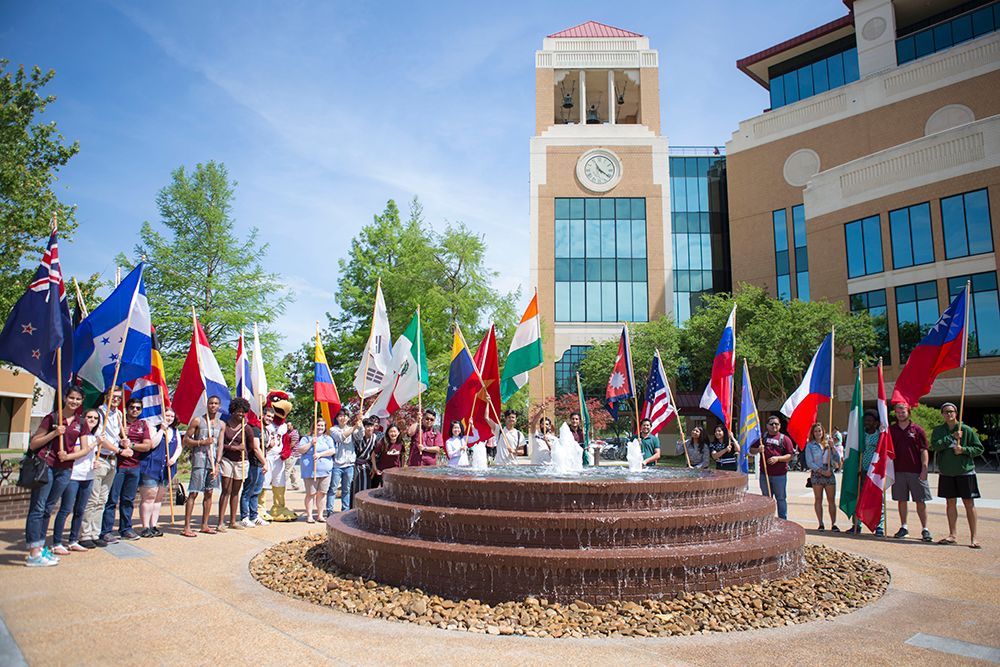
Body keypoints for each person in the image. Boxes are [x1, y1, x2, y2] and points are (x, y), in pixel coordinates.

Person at [25, 386, 88, 566]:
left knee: (48, 508)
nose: (74, 402)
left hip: (65, 469)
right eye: (71, 398)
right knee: (38, 508)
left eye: (78, 399)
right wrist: (55, 433)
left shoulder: (80, 423)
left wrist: (69, 456)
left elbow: (83, 450)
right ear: (65, 398)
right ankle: (33, 553)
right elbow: (33, 444)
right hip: (47, 466)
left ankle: (41, 548)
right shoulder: (53, 418)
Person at [930, 402, 983, 548]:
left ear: (956, 413)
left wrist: (964, 450)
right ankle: (952, 534)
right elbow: (935, 445)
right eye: (946, 412)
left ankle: (974, 537)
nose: (949, 414)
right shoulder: (939, 430)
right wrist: (951, 437)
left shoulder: (965, 429)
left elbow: (979, 448)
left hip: (965, 471)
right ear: (942, 414)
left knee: (969, 504)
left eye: (951, 411)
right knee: (950, 503)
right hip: (947, 472)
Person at [80, 387, 126, 548]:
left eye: (119, 397)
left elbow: (116, 437)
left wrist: (123, 440)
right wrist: (119, 450)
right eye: (113, 396)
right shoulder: (99, 414)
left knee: (102, 499)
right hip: (100, 458)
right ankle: (85, 534)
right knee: (93, 498)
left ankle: (95, 532)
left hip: (112, 460)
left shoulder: (119, 415)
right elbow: (101, 439)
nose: (116, 400)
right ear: (106, 396)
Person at [102, 397, 151, 541]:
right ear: (127, 408)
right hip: (119, 466)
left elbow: (147, 446)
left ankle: (126, 529)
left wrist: (132, 445)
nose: (134, 410)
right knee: (112, 499)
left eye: (138, 408)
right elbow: (108, 438)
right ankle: (106, 530)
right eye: (132, 407)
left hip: (134, 467)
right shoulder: (119, 422)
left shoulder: (142, 424)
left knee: (128, 500)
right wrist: (120, 435)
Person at [54, 408, 101, 553]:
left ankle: (73, 540)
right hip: (74, 475)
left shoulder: (94, 437)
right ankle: (57, 542)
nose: (92, 420)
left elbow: (89, 455)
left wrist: (95, 462)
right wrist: (95, 444)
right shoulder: (78, 434)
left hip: (88, 476)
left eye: (95, 418)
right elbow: (76, 452)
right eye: (89, 417)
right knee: (66, 509)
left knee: (80, 510)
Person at [889, 403, 932, 542]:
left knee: (920, 500)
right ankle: (904, 527)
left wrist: (924, 469)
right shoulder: (892, 430)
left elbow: (924, 450)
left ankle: (925, 529)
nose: (900, 414)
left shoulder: (918, 430)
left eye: (903, 412)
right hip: (898, 471)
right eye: (898, 412)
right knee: (902, 500)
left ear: (909, 412)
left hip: (916, 471)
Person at [181, 395, 223, 537]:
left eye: (216, 403)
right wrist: (201, 443)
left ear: (219, 406)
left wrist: (218, 464)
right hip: (199, 461)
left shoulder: (220, 424)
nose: (213, 405)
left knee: (209, 492)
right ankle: (187, 527)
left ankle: (204, 525)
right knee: (193, 492)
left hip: (212, 463)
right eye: (211, 403)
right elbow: (185, 440)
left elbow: (220, 445)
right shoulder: (198, 420)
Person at [137, 407, 182, 538]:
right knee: (149, 498)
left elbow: (179, 446)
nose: (169, 418)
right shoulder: (153, 428)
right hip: (151, 467)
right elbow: (152, 444)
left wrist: (173, 459)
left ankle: (153, 525)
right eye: (166, 415)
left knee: (158, 499)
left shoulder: (175, 430)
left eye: (171, 416)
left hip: (166, 469)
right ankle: (145, 526)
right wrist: (162, 429)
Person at [216, 397, 252, 531]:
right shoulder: (225, 426)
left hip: (241, 462)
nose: (241, 414)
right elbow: (220, 445)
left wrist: (242, 452)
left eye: (243, 412)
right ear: (233, 411)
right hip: (227, 460)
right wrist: (234, 448)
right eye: (238, 411)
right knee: (226, 490)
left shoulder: (246, 428)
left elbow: (249, 447)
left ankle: (232, 521)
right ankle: (220, 522)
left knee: (236, 492)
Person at [749, 416, 795, 520]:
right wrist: (758, 450)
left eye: (776, 424)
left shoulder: (785, 439)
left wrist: (778, 459)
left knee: (781, 498)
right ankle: (768, 519)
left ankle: (783, 519)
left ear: (780, 426)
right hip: (765, 474)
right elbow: (751, 450)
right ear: (767, 425)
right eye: (771, 424)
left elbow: (790, 455)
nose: (774, 426)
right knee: (766, 498)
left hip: (780, 475)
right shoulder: (762, 438)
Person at [847, 409, 885, 535]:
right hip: (859, 474)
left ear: (876, 422)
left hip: (874, 475)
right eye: (866, 420)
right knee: (857, 498)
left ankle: (879, 526)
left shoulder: (880, 436)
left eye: (870, 420)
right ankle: (856, 524)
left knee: (877, 500)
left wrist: (869, 473)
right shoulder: (859, 435)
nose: (867, 423)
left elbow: (882, 456)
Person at [804, 422, 840, 531]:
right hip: (818, 473)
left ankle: (833, 523)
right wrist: (822, 472)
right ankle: (820, 523)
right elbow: (809, 462)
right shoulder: (810, 445)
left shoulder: (829, 444)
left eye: (819, 431)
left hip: (829, 472)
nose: (818, 433)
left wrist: (833, 447)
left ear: (823, 432)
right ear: (813, 433)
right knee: (818, 499)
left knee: (831, 499)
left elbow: (837, 459)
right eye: (816, 431)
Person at [299, 417, 335, 523]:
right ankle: (309, 516)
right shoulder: (306, 438)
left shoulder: (327, 438)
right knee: (311, 494)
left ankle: (320, 515)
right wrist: (311, 443)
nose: (320, 427)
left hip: (325, 472)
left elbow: (332, 450)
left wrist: (320, 454)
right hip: (310, 471)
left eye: (322, 425)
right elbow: (300, 450)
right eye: (318, 425)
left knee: (322, 493)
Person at [240, 408, 270, 528]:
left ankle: (254, 515)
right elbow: (256, 448)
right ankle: (244, 516)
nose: (269, 419)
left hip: (260, 464)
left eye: (271, 417)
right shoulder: (254, 428)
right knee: (248, 491)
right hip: (253, 463)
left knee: (256, 491)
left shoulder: (264, 430)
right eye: (267, 416)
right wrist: (265, 462)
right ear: (262, 415)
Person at [328, 409, 361, 516]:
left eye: (345, 416)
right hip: (337, 464)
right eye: (341, 416)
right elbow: (340, 438)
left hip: (350, 464)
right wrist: (354, 428)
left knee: (346, 489)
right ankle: (330, 510)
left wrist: (360, 424)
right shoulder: (333, 429)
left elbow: (359, 436)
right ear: (337, 418)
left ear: (348, 418)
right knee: (333, 488)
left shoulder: (351, 429)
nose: (343, 418)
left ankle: (345, 510)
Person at [351, 417, 379, 505]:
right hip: (356, 466)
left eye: (371, 426)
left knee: (366, 488)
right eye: (367, 426)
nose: (369, 429)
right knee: (355, 487)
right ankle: (354, 508)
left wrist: (374, 468)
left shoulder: (375, 438)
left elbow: (376, 454)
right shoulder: (358, 437)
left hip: (367, 466)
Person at [372, 423, 404, 488]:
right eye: (391, 432)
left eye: (395, 432)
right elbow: (373, 455)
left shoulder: (401, 443)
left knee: (395, 489)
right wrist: (375, 469)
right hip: (384, 471)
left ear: (398, 433)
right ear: (388, 433)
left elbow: (403, 455)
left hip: (396, 471)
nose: (393, 434)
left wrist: (402, 468)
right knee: (385, 490)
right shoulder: (383, 443)